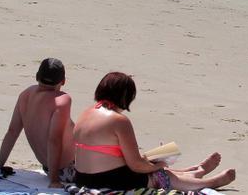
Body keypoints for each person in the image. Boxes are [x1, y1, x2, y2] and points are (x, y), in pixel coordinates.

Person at [72, 72, 236, 192]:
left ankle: (192, 172)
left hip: (81, 177)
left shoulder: (86, 113)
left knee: (150, 162)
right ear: (125, 96)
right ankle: (210, 182)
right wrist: (161, 164)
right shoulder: (119, 121)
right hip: (105, 180)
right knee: (160, 175)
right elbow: (135, 165)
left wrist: (152, 161)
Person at [0, 58, 76, 188]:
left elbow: (12, 132)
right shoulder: (62, 100)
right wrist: (54, 180)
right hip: (71, 170)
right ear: (63, 81)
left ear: (37, 76)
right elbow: (54, 140)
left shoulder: (25, 95)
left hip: (48, 168)